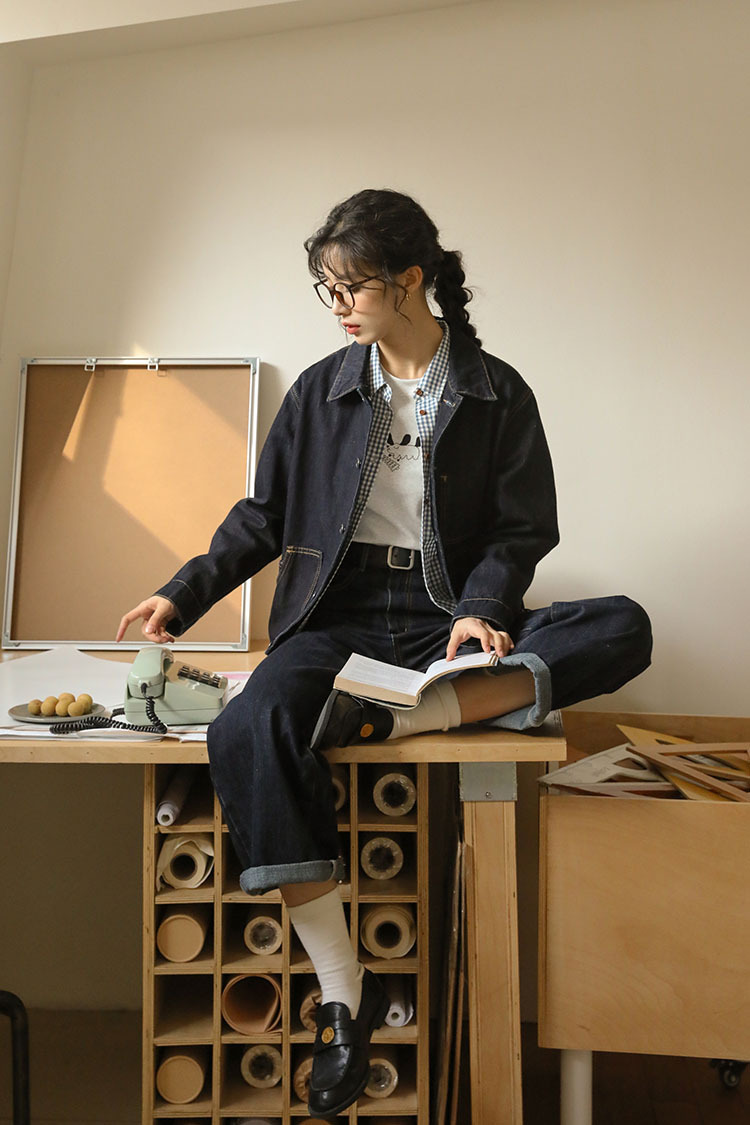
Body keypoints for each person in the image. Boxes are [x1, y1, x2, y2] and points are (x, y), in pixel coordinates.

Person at [117, 188, 652, 1116]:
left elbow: (523, 529)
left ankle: (407, 705)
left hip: (448, 613)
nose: (338, 306)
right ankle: (343, 995)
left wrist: (481, 610)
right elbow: (265, 516)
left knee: (624, 625)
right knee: (246, 726)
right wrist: (184, 590)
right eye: (326, 289)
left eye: (353, 286)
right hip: (338, 611)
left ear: (411, 279)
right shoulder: (321, 390)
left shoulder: (496, 391)